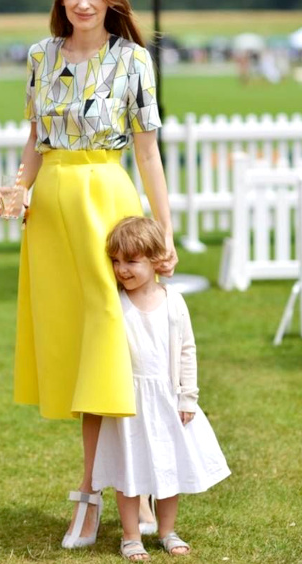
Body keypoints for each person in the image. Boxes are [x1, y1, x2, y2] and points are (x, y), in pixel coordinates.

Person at [0, 0, 178, 548]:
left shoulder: (134, 60)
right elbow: (35, 142)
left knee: (112, 354)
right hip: (51, 219)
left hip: (109, 207)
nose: (82, 2)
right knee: (78, 357)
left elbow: (147, 153)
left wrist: (164, 232)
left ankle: (104, 495)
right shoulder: (40, 56)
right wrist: (18, 192)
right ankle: (113, 493)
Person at [92, 217, 231, 560]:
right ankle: (130, 535)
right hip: (129, 401)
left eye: (131, 261)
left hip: (167, 398)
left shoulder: (173, 302)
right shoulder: (115, 302)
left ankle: (167, 531)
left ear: (155, 260)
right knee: (129, 470)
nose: (121, 269)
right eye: (116, 261)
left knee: (168, 467)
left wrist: (188, 396)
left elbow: (186, 349)